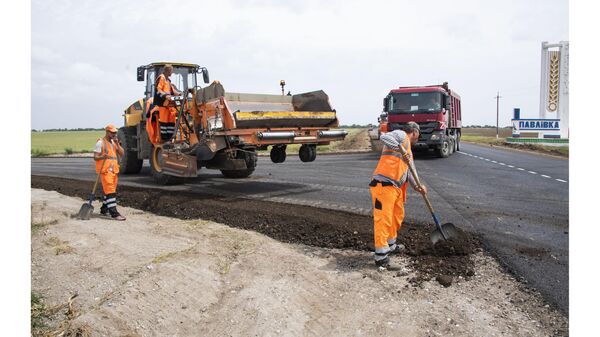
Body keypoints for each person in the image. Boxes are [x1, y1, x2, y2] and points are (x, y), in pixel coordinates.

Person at [369, 121, 427, 268]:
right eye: (417, 136)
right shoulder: (401, 135)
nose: (417, 139)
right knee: (384, 219)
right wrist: (401, 150)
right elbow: (384, 136)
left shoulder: (409, 152)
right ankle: (381, 256)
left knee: (396, 217)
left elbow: (410, 172)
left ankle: (390, 245)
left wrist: (418, 186)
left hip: (396, 188)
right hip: (384, 185)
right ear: (414, 132)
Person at [94, 124, 126, 221]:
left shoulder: (114, 142)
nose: (114, 134)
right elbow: (95, 157)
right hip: (105, 171)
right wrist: (102, 156)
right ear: (107, 132)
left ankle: (104, 209)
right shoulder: (100, 142)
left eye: (115, 132)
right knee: (111, 191)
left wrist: (117, 143)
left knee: (109, 192)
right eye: (112, 132)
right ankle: (114, 214)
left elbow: (122, 153)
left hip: (114, 171)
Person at [155, 64, 181, 141]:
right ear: (167, 70)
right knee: (164, 122)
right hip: (163, 104)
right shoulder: (161, 78)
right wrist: (165, 96)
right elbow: (158, 89)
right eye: (171, 71)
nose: (172, 73)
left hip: (169, 105)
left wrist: (180, 94)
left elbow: (173, 91)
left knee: (171, 121)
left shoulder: (168, 81)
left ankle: (170, 137)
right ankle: (164, 138)